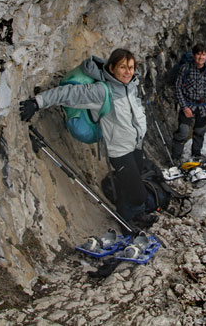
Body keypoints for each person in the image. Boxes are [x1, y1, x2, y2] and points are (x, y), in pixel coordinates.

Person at [18, 49, 156, 228]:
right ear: (112, 68)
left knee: (131, 184)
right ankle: (128, 223)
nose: (128, 72)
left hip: (135, 145)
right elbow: (68, 93)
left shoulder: (129, 85)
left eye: (131, 67)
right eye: (123, 67)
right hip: (120, 151)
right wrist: (37, 102)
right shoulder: (102, 91)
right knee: (138, 194)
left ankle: (134, 215)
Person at [170, 44, 206, 162]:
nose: (201, 57)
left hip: (203, 106)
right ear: (194, 55)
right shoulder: (185, 69)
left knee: (199, 132)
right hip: (188, 104)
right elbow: (178, 88)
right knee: (183, 131)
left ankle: (196, 154)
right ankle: (175, 156)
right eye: (198, 54)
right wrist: (184, 107)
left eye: (203, 54)